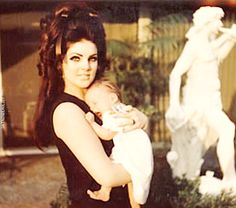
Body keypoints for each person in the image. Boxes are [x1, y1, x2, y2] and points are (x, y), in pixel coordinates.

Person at [33, 2, 148, 208]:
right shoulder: (67, 111)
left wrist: (140, 120)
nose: (86, 67)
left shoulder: (95, 100)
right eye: (76, 58)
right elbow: (108, 176)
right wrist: (146, 167)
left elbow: (123, 134)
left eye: (92, 58)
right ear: (60, 64)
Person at [165, 6, 236, 194]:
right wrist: (174, 105)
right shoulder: (195, 44)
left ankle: (225, 179)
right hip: (197, 102)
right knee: (222, 132)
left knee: (207, 140)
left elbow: (217, 56)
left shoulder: (208, 43)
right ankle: (226, 178)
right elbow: (175, 74)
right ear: (207, 23)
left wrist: (231, 37)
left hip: (211, 100)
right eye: (217, 20)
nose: (221, 24)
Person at [84, 79, 154, 208]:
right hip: (133, 146)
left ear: (112, 98)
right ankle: (109, 193)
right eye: (90, 106)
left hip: (132, 149)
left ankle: (105, 191)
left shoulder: (111, 115)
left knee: (127, 172)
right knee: (133, 179)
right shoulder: (122, 110)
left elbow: (107, 134)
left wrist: (92, 124)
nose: (93, 109)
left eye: (95, 103)